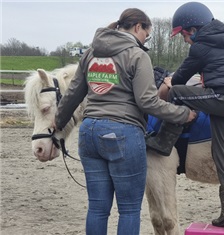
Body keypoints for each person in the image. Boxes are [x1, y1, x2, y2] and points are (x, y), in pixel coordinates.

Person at [54, 8, 197, 235]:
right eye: (146, 35)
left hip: (89, 132)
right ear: (138, 27)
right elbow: (147, 102)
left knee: (98, 209)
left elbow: (73, 94)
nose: (145, 41)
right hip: (123, 133)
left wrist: (59, 121)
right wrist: (182, 114)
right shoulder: (137, 55)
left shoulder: (90, 54)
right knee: (129, 210)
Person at [145, 2, 224, 228]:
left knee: (176, 92)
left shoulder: (199, 46)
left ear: (193, 29)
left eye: (183, 34)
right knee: (221, 151)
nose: (184, 39)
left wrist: (167, 81)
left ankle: (163, 142)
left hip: (222, 98)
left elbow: (181, 79)